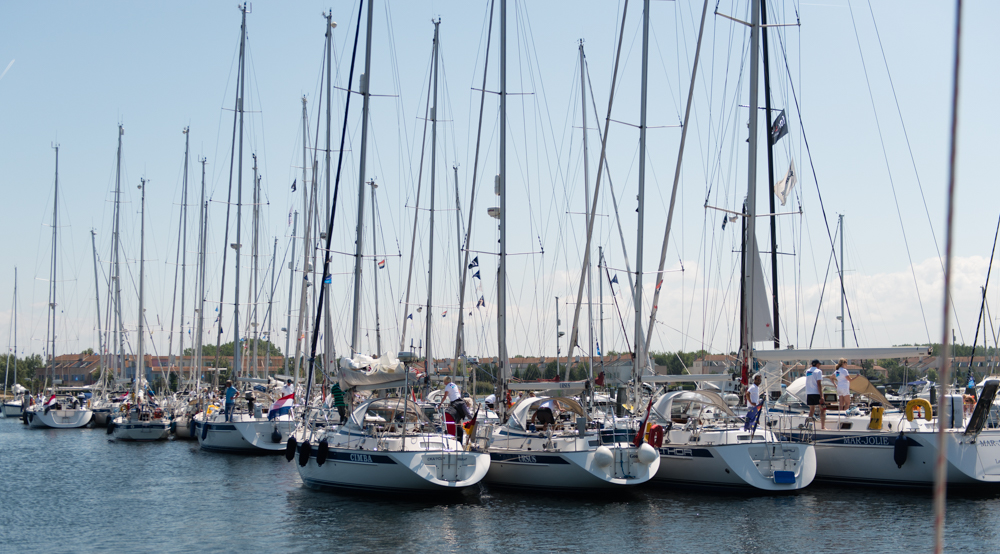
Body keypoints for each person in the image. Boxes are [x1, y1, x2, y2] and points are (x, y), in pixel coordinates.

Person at [805, 360, 826, 429]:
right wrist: (821, 396)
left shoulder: (807, 371)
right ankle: (823, 427)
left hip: (809, 393)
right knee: (823, 409)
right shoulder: (818, 371)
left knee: (811, 410)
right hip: (816, 393)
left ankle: (808, 426)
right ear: (817, 364)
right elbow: (819, 383)